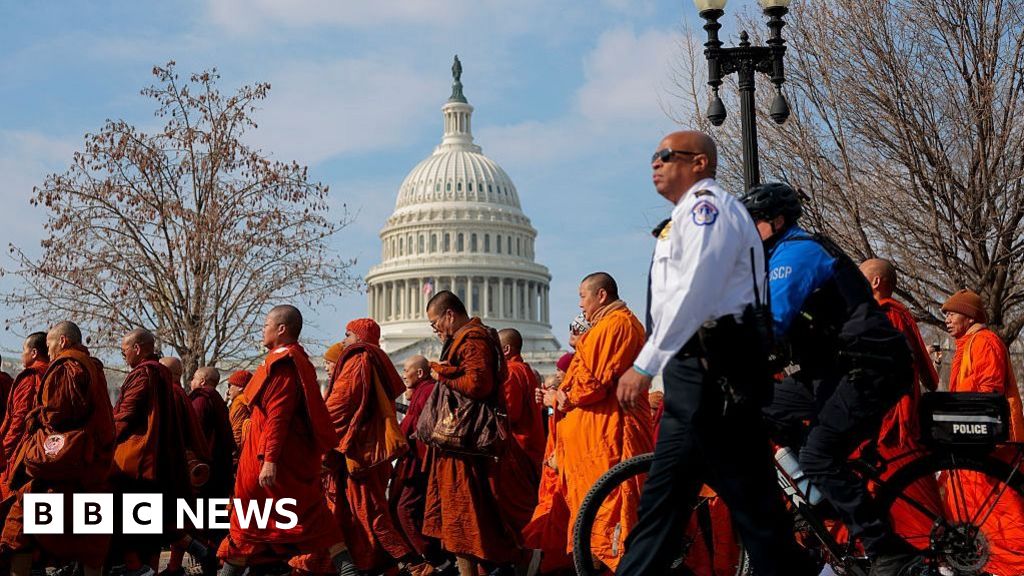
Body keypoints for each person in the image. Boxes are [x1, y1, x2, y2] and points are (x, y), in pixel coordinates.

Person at [615, 132, 813, 576]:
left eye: (665, 156)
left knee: (751, 512)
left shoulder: (710, 209)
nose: (655, 164)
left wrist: (647, 363)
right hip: (698, 375)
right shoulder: (685, 216)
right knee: (667, 506)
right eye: (653, 155)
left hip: (716, 373)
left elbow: (696, 291)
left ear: (700, 162)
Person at [740, 181, 919, 574]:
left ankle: (890, 552)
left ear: (778, 221)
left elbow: (770, 323)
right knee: (758, 408)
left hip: (870, 366)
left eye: (753, 222)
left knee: (819, 455)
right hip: (832, 369)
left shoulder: (797, 253)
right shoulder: (773, 259)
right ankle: (818, 496)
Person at [217, 305, 359, 576]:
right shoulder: (290, 359)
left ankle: (348, 569)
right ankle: (348, 568)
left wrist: (269, 460)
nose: (262, 329)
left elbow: (278, 417)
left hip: (271, 461)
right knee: (308, 515)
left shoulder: (282, 364)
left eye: (266, 324)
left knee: (251, 521)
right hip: (277, 457)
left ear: (281, 329)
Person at [291, 318, 423, 576]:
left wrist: (315, 440)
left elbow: (338, 409)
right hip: (367, 455)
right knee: (353, 514)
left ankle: (409, 564)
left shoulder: (358, 360)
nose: (344, 340)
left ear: (360, 337)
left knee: (369, 514)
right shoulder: (375, 361)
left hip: (357, 456)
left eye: (348, 334)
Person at [554, 273, 653, 572]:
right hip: (595, 440)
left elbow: (591, 383)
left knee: (609, 514)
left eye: (583, 297)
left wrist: (564, 396)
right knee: (595, 515)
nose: (580, 305)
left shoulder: (617, 325)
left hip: (611, 436)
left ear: (601, 295)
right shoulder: (606, 326)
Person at [0, 321, 116, 576]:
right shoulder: (92, 366)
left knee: (18, 531)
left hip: (61, 467)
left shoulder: (67, 366)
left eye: (51, 344)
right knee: (90, 540)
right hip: (88, 465)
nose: (48, 350)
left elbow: (57, 414)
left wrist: (35, 417)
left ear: (62, 342)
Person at [422, 290, 523, 576]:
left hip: (467, 443)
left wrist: (442, 373)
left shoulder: (474, 340)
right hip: (458, 446)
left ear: (449, 315)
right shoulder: (464, 339)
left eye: (435, 323)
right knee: (461, 518)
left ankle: (513, 562)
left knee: (468, 516)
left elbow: (478, 384)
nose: (435, 329)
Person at [941, 288, 1024, 575]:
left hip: (991, 445)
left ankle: (1013, 568)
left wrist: (974, 435)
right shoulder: (970, 343)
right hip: (973, 441)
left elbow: (988, 395)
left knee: (1001, 510)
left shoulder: (985, 342)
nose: (947, 320)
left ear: (968, 315)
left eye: (951, 313)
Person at [112, 329, 195, 576]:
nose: (123, 354)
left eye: (124, 349)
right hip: (156, 459)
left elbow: (126, 414)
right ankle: (147, 566)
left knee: (124, 514)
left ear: (137, 348)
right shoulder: (160, 374)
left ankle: (136, 567)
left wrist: (104, 439)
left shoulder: (144, 374)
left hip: (137, 459)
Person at [389, 356, 453, 574]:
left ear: (420, 373)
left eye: (406, 369)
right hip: (415, 460)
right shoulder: (422, 392)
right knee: (411, 510)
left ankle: (431, 560)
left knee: (404, 509)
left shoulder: (426, 392)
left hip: (419, 462)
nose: (403, 374)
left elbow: (413, 427)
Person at [523, 353, 574, 575]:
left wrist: (553, 401)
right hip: (552, 475)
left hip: (565, 473)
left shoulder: (571, 398)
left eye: (559, 373)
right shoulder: (559, 400)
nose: (556, 375)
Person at [0, 333, 49, 493]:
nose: (22, 355)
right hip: (46, 451)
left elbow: (19, 421)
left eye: (23, 350)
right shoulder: (53, 373)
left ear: (34, 353)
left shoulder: (29, 378)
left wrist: (4, 453)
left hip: (20, 453)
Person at [498, 329, 546, 470]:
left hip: (519, 446)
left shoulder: (510, 372)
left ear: (506, 349)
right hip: (531, 444)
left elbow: (510, 413)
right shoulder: (525, 369)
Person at [225, 369, 251, 465]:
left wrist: (233, 454)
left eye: (230, 386)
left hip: (240, 452)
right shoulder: (250, 400)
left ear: (240, 387)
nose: (228, 391)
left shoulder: (239, 402)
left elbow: (236, 430)